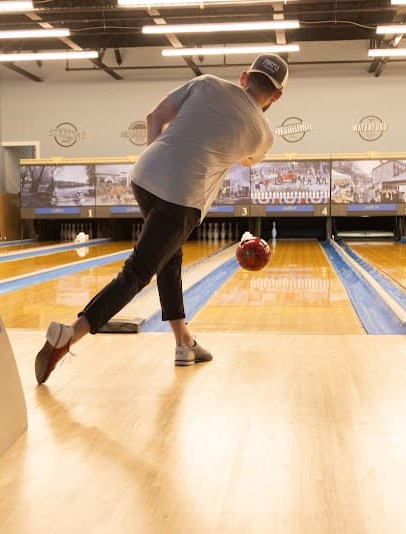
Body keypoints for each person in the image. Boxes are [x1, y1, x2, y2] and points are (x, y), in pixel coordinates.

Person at [35, 53, 289, 384]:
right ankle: (71, 333)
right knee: (139, 271)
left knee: (169, 258)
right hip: (181, 198)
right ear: (276, 96)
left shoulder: (206, 82)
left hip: (144, 176)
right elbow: (247, 160)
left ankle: (184, 342)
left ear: (244, 76)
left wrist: (161, 164)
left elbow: (154, 117)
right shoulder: (263, 135)